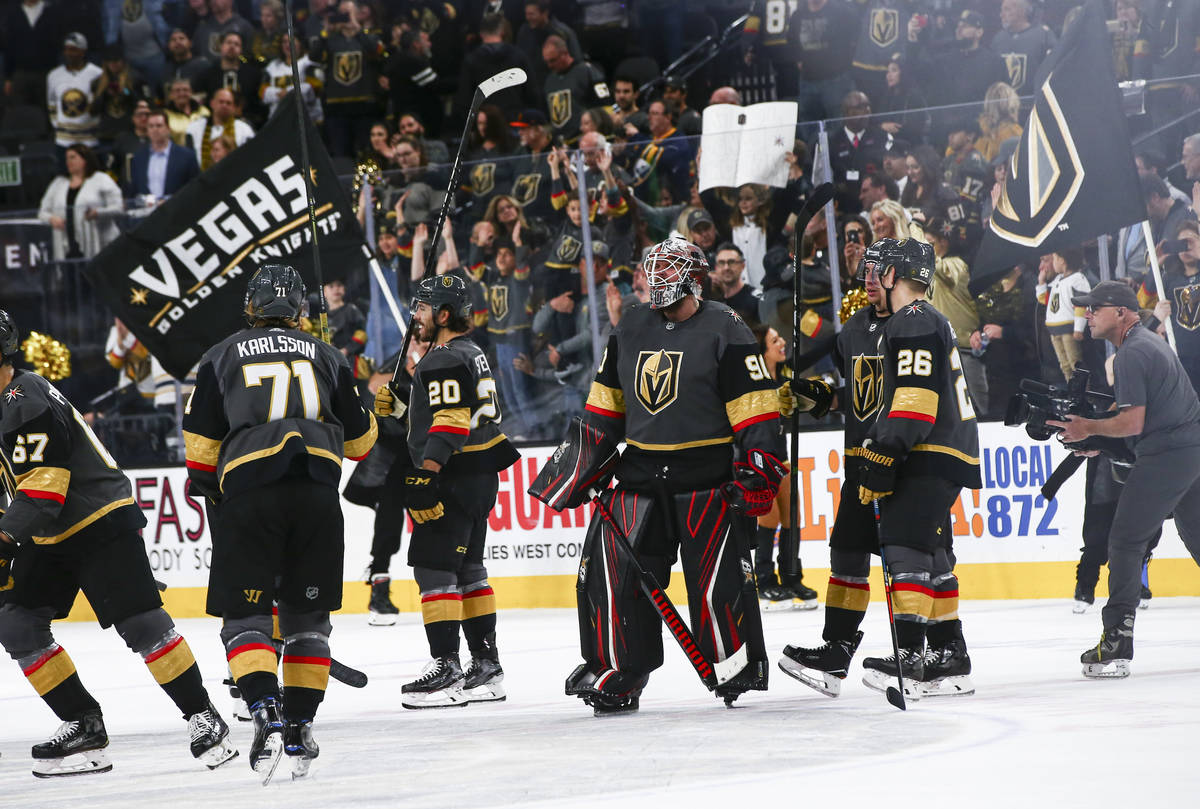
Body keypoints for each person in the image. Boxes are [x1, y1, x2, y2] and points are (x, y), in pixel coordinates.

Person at [0, 310, 237, 778]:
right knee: (17, 624)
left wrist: (5, 538)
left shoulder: (22, 399)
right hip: (49, 530)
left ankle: (203, 717)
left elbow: (45, 487)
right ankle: (84, 725)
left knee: (142, 623)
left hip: (96, 518)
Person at [559, 237, 786, 714]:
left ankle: (732, 664)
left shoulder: (727, 327)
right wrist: (578, 466)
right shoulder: (632, 323)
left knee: (715, 585)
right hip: (639, 475)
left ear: (693, 277)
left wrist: (760, 468)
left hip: (706, 479)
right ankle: (618, 670)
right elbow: (606, 405)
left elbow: (757, 413)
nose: (656, 283)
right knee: (611, 576)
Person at [182, 265, 378, 778]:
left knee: (245, 621)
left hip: (249, 495)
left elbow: (200, 453)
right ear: (299, 312)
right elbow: (360, 444)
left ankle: (264, 712)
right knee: (308, 623)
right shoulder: (329, 355)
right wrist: (373, 408)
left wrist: (215, 492)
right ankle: (299, 728)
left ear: (251, 307)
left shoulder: (220, 355)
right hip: (316, 497)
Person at [781, 239, 982, 699]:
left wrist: (887, 451)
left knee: (911, 548)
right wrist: (823, 399)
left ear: (896, 274)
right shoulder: (871, 327)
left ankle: (922, 652)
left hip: (919, 451)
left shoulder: (913, 319)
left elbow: (913, 400)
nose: (872, 277)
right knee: (856, 547)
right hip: (895, 449)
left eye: (881, 269)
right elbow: (873, 395)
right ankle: (850, 650)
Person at [373, 275, 520, 708]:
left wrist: (426, 474)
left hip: (452, 476)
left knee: (434, 572)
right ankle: (487, 667)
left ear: (441, 315)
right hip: (479, 474)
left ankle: (447, 669)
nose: (413, 317)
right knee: (470, 570)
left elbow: (452, 421)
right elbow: (456, 412)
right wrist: (404, 408)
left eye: (420, 309)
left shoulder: (439, 358)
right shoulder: (470, 353)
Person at [1049, 281, 1200, 678]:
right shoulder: (1146, 344)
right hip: (1189, 451)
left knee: (1125, 541)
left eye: (1094, 308)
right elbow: (1142, 417)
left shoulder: (1133, 352)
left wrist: (1087, 429)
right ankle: (1118, 638)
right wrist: (1099, 439)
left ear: (1121, 312)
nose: (1087, 314)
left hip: (1168, 455)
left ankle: (1116, 641)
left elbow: (1134, 422)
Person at [749, 321, 819, 611]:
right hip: (760, 459)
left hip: (783, 456)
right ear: (762, 350)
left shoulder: (785, 376)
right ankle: (764, 581)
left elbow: (813, 355)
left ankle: (791, 577)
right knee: (769, 518)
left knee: (792, 515)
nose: (781, 344)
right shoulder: (753, 383)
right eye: (774, 340)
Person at [37, 144, 123, 260]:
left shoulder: (101, 179)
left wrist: (97, 213)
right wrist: (52, 219)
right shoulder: (58, 183)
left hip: (99, 241)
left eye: (73, 157)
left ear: (85, 159)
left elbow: (118, 208)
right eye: (67, 158)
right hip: (66, 242)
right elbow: (42, 212)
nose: (69, 161)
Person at [1037, 248, 1091, 383]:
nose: (1053, 263)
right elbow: (1044, 300)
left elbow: (1081, 304)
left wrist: (1079, 328)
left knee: (1075, 363)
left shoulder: (1078, 279)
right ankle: (1072, 391)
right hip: (1054, 330)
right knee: (1064, 365)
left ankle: (1084, 394)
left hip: (1068, 329)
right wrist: (1041, 283)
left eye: (1054, 259)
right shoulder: (1057, 280)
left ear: (1062, 261)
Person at [47, 33, 104, 149]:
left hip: (90, 141)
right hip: (63, 141)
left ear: (83, 51)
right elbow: (51, 105)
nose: (68, 54)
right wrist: (59, 127)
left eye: (73, 50)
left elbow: (100, 105)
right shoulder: (53, 75)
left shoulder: (97, 74)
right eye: (66, 49)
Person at [132, 108, 201, 202]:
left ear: (168, 128)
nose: (155, 129)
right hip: (147, 212)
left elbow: (195, 188)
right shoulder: (139, 158)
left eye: (159, 126)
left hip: (176, 211)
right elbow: (135, 189)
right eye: (151, 126)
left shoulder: (186, 156)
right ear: (147, 130)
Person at [185, 88, 255, 170]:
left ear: (234, 107)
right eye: (221, 102)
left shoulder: (245, 130)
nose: (224, 105)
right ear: (212, 103)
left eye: (228, 103)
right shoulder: (194, 128)